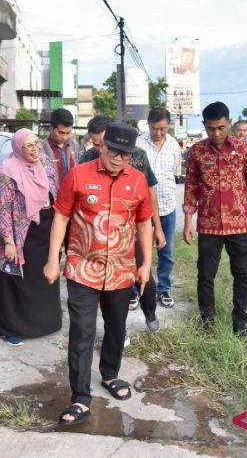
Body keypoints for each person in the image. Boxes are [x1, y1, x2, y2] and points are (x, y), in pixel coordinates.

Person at [44, 122, 152, 426]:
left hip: (121, 270)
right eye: (113, 150)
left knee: (117, 327)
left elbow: (144, 224)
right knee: (82, 330)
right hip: (82, 267)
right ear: (101, 145)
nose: (118, 158)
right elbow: (61, 217)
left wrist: (146, 265)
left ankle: (110, 375)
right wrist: (53, 259)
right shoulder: (78, 175)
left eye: (125, 154)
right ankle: (79, 396)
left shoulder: (139, 181)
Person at [183, 102, 247, 338]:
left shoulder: (243, 148)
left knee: (242, 274)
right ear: (204, 126)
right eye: (210, 129)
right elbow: (191, 187)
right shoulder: (197, 152)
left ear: (228, 122)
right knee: (205, 275)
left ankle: (240, 324)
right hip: (208, 225)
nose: (216, 134)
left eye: (220, 128)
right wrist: (188, 221)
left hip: (239, 223)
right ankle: (207, 321)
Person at [80, 117, 164, 335]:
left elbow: (149, 193)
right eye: (96, 145)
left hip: (131, 234)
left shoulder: (137, 157)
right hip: (99, 238)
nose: (99, 150)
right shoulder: (87, 160)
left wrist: (158, 227)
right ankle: (118, 330)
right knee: (109, 289)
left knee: (144, 279)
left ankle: (150, 312)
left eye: (102, 144)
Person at [0, 129, 61, 345]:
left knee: (43, 277)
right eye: (28, 146)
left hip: (45, 228)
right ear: (18, 148)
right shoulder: (7, 170)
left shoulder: (46, 162)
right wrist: (8, 241)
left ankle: (47, 323)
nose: (35, 149)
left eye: (37, 143)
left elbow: (55, 190)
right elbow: (1, 207)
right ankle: (14, 329)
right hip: (20, 234)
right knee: (17, 279)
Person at [137, 107, 181, 308]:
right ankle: (137, 289)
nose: (158, 133)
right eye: (154, 128)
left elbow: (174, 174)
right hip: (141, 209)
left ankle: (163, 289)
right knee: (138, 250)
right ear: (148, 124)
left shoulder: (174, 145)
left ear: (168, 125)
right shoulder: (138, 144)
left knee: (167, 252)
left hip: (167, 206)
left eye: (162, 128)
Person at [41, 108, 80, 182]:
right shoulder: (41, 148)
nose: (64, 137)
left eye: (68, 133)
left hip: (72, 190)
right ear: (51, 128)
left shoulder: (74, 145)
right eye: (61, 133)